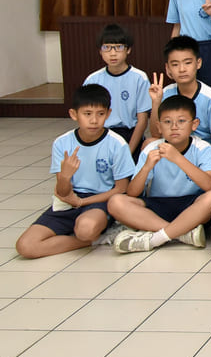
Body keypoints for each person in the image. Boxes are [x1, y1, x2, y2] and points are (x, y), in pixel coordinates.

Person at [15, 85, 134, 258]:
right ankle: (96, 238)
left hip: (101, 200)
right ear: (73, 114)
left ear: (108, 114)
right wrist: (65, 177)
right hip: (69, 200)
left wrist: (82, 202)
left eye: (100, 114)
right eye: (87, 114)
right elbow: (63, 193)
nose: (94, 120)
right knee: (25, 247)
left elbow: (121, 189)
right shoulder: (62, 143)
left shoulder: (117, 143)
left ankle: (99, 232)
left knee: (85, 230)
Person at [108, 94, 211, 253]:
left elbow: (209, 184)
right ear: (159, 127)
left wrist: (178, 158)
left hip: (191, 205)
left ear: (194, 124)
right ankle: (181, 234)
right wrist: (146, 168)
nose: (174, 127)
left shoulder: (203, 148)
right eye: (167, 122)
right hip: (159, 204)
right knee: (115, 202)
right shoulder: (151, 148)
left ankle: (157, 238)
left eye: (181, 121)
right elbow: (133, 192)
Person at [150, 36, 211, 166]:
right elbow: (156, 134)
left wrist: (199, 166)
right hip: (176, 145)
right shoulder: (164, 93)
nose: (182, 69)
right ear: (168, 68)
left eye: (187, 63)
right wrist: (156, 102)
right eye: (175, 64)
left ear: (198, 63)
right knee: (148, 143)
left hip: (207, 147)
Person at [83, 23, 151, 154]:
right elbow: (86, 117)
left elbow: (142, 121)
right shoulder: (92, 80)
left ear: (128, 49)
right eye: (107, 48)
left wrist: (128, 152)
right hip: (101, 134)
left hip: (130, 135)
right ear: (100, 51)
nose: (112, 53)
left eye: (118, 47)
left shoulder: (139, 78)